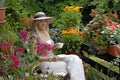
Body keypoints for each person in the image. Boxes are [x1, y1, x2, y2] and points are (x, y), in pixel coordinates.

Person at [29, 12, 85, 80]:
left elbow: (46, 48)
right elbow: (34, 57)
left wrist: (54, 46)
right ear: (36, 23)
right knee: (70, 65)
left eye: (45, 21)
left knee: (75, 58)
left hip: (52, 58)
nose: (44, 23)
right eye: (40, 21)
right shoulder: (34, 37)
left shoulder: (45, 33)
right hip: (45, 62)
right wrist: (50, 59)